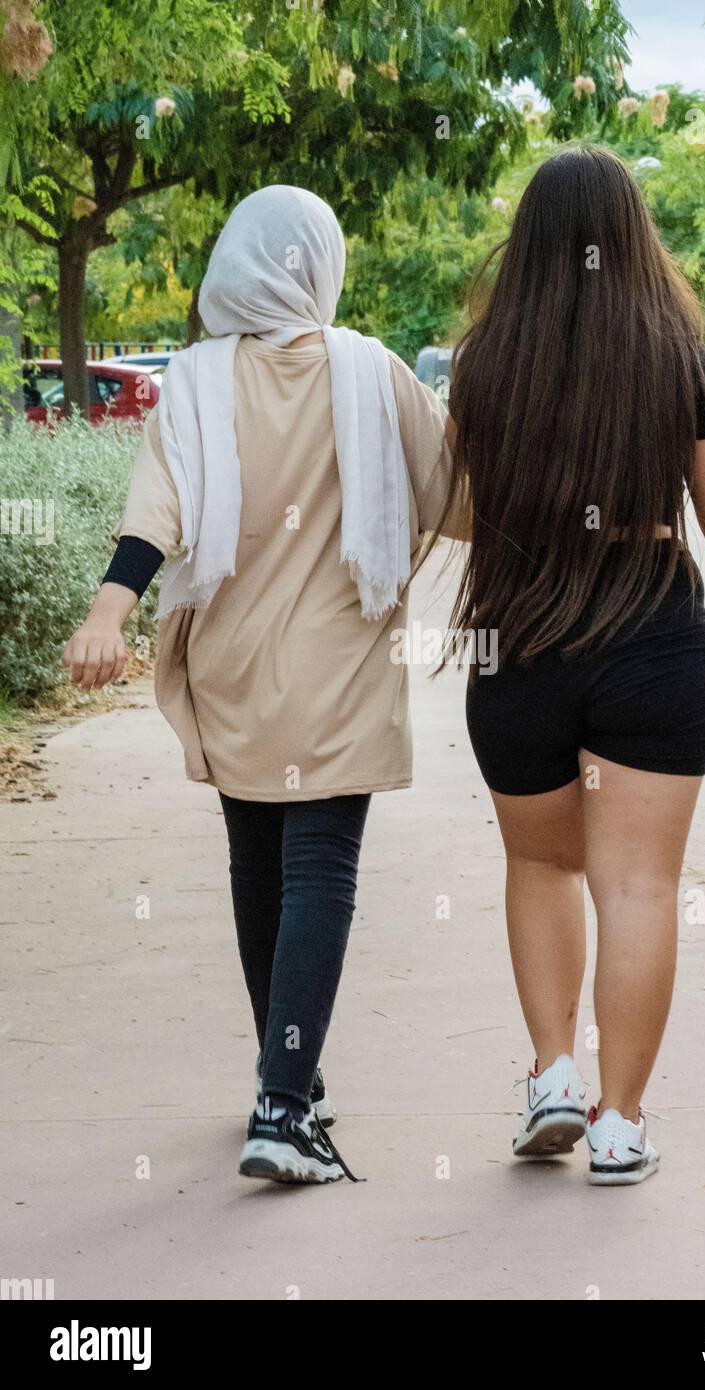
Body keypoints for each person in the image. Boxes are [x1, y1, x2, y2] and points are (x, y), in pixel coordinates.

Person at [438, 146, 705, 1185]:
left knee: (539, 864)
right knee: (637, 886)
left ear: (524, 241)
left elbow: (463, 517)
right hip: (653, 642)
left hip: (520, 639)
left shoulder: (484, 364)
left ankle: (551, 1077)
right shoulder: (676, 357)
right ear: (630, 234)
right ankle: (618, 1124)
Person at [62, 186, 466, 1186]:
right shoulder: (370, 372)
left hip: (233, 664)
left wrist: (108, 612)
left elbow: (152, 513)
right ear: (317, 266)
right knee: (318, 870)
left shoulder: (191, 382)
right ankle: (284, 1104)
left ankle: (287, 1079)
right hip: (340, 661)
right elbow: (462, 496)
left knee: (258, 865)